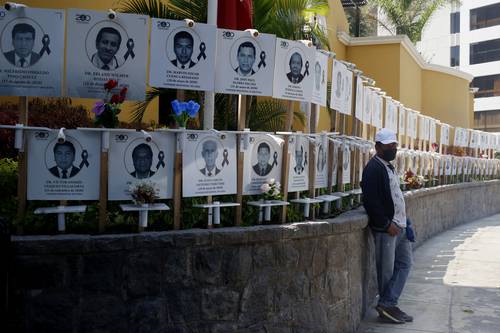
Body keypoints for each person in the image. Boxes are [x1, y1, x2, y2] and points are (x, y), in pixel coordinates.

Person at [361, 128, 414, 324]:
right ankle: (387, 307)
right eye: (388, 145)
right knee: (386, 271)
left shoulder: (387, 166)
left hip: (400, 226)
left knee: (405, 264)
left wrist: (404, 221)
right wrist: (385, 223)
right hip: (387, 230)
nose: (393, 148)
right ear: (377, 147)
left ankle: (388, 302)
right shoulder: (373, 168)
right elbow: (371, 200)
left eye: (394, 145)